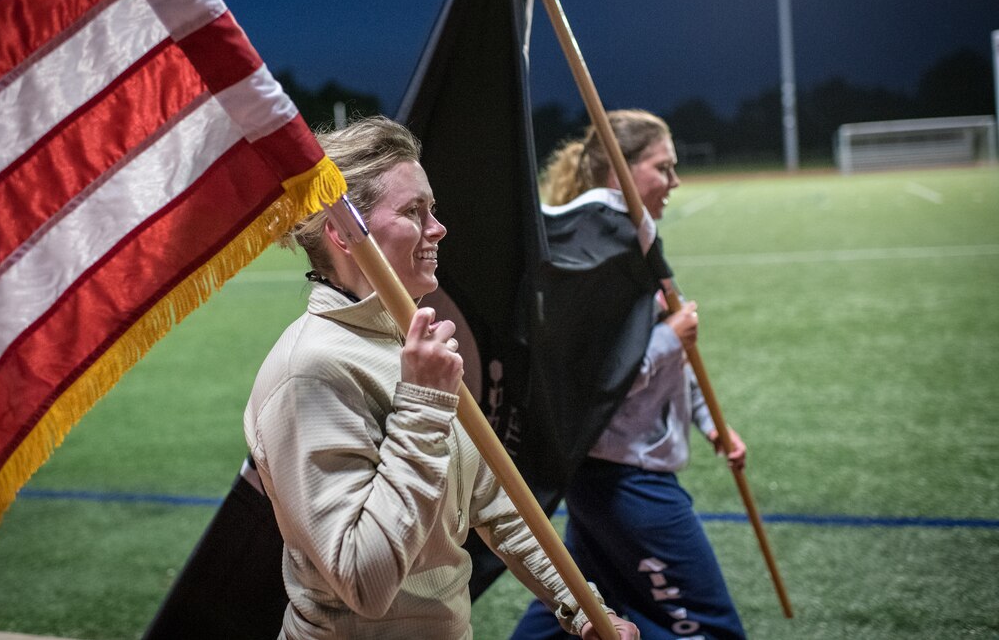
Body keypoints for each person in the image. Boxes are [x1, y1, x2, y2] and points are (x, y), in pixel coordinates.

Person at [243, 116, 637, 640]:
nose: (438, 228)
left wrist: (581, 605)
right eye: (413, 212)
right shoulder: (310, 370)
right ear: (341, 231)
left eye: (433, 209)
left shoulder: (404, 340)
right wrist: (425, 401)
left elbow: (499, 502)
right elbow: (363, 580)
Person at [510, 110, 747, 640]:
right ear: (621, 172)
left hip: (606, 475)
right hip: (624, 479)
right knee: (706, 627)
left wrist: (713, 425)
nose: (675, 181)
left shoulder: (634, 243)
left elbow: (670, 370)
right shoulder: (604, 254)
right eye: (663, 167)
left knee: (569, 615)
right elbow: (596, 379)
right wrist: (671, 336)